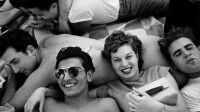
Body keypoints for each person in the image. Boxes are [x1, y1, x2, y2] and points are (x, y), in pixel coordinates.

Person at [0, 29, 117, 111]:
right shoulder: (47, 40)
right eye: (10, 66)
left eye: (15, 62)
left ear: (31, 50)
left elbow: (8, 107)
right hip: (120, 50)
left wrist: (11, 76)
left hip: (124, 71)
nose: (15, 70)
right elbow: (39, 28)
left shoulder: (45, 69)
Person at [88, 31, 187, 112]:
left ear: (137, 55)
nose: (124, 64)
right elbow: (81, 97)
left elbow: (183, 109)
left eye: (128, 56)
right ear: (111, 63)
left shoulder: (159, 72)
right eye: (117, 60)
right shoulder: (110, 88)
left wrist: (157, 108)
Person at [34, 46, 120, 112]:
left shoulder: (106, 106)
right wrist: (42, 91)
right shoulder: (47, 106)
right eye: (60, 73)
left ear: (89, 75)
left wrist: (44, 91)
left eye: (73, 71)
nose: (66, 78)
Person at [9, 0, 169, 35]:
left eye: (40, 15)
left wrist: (50, 24)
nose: (37, 18)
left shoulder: (75, 15)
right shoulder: (65, 6)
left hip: (127, 6)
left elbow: (77, 32)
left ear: (54, 6)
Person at [159, 27, 200, 112]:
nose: (186, 53)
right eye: (178, 54)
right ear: (174, 65)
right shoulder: (188, 94)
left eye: (189, 48)